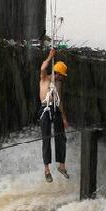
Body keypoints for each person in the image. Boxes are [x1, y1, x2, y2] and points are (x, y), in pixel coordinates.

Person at [39, 48, 69, 182]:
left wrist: (64, 118)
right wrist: (50, 56)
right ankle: (46, 170)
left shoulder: (58, 84)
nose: (63, 78)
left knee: (61, 137)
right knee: (46, 138)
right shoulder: (45, 79)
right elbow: (43, 67)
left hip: (56, 109)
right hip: (45, 109)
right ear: (57, 73)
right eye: (62, 75)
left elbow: (59, 101)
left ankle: (61, 166)